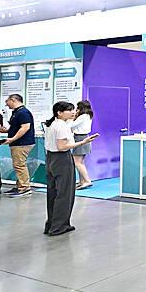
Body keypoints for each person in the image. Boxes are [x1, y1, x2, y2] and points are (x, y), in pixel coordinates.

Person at [43, 101, 96, 236]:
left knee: (53, 192)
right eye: (69, 110)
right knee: (65, 193)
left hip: (50, 158)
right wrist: (83, 142)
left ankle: (51, 224)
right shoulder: (61, 126)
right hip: (61, 159)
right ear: (59, 113)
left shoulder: (51, 124)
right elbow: (62, 147)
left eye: (73, 109)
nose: (73, 112)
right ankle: (59, 227)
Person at [1, 94, 36, 197]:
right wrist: (6, 131)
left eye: (7, 101)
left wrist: (13, 138)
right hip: (18, 143)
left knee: (19, 165)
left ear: (13, 100)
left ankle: (24, 188)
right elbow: (17, 127)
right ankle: (20, 185)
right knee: (18, 165)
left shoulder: (23, 112)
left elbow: (25, 127)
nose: (6, 104)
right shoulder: (17, 112)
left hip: (22, 143)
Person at [70, 100, 94, 190]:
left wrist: (73, 117)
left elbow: (72, 125)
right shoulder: (88, 115)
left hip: (80, 138)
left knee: (77, 162)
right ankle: (82, 181)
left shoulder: (83, 116)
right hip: (82, 138)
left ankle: (87, 181)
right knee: (80, 162)